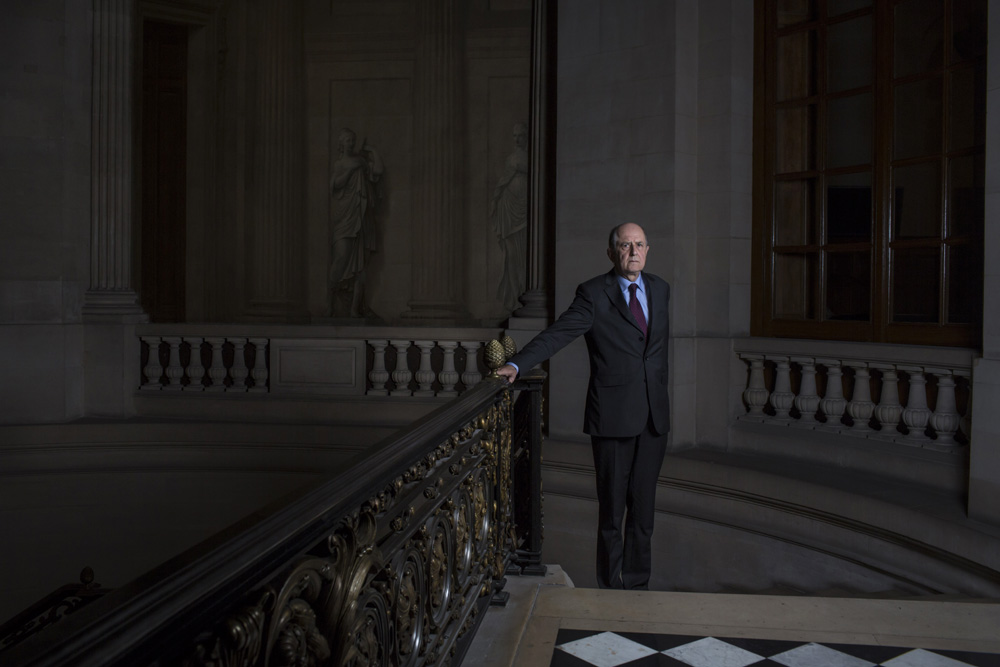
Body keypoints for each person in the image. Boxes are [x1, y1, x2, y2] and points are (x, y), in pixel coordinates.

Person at [496, 223, 670, 590]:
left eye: (639, 244)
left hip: (654, 418)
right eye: (625, 245)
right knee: (612, 513)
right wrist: (517, 364)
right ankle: (609, 589)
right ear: (612, 253)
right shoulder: (594, 293)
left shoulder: (660, 289)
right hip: (612, 419)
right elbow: (558, 333)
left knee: (644, 513)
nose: (634, 251)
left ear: (648, 249)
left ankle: (637, 586)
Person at [330, 128, 383, 318]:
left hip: (363, 215)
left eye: (353, 140)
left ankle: (354, 309)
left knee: (361, 266)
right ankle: (332, 301)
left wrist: (373, 151)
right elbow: (336, 184)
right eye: (347, 140)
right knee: (341, 256)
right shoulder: (340, 164)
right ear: (341, 143)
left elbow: (377, 170)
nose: (351, 143)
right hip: (345, 215)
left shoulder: (361, 161)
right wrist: (352, 168)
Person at [490, 122, 529, 313]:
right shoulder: (511, 158)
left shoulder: (531, 158)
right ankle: (515, 296)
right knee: (511, 257)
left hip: (524, 212)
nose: (517, 139)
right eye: (514, 136)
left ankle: (523, 296)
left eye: (520, 135)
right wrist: (496, 199)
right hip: (509, 209)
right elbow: (504, 181)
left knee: (524, 258)